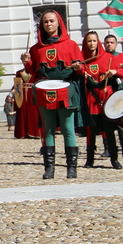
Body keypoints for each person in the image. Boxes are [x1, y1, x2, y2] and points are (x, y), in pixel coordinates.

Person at [29, 10, 84, 179]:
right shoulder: (36, 49)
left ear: (58, 23)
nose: (49, 24)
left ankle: (71, 167)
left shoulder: (71, 45)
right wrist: (27, 62)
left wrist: (77, 67)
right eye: (45, 22)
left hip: (65, 89)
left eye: (51, 21)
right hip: (45, 90)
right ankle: (49, 168)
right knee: (48, 130)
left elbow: (82, 69)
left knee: (68, 128)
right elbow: (33, 71)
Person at [80, 31, 122, 170]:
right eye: (89, 41)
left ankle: (114, 159)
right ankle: (90, 159)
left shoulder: (108, 58)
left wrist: (115, 72)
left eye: (93, 41)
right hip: (91, 98)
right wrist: (82, 75)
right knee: (91, 130)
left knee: (109, 129)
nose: (91, 44)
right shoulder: (82, 60)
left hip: (105, 97)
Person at [103, 34, 123, 159]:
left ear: (116, 44)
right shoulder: (101, 58)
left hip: (120, 91)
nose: (109, 44)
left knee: (122, 121)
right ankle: (108, 148)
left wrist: (116, 72)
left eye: (111, 42)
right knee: (107, 122)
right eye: (107, 42)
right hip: (106, 92)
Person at [12, 52, 43, 140]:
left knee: (33, 113)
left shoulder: (35, 72)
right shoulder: (19, 73)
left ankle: (34, 132)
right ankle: (22, 132)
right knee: (22, 113)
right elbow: (17, 85)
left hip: (32, 94)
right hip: (21, 95)